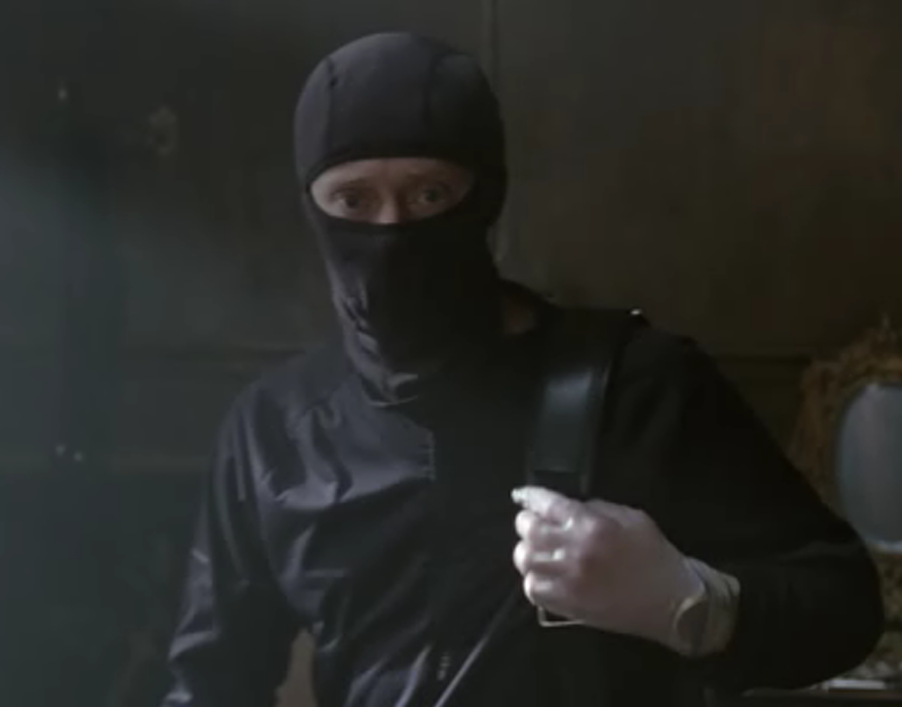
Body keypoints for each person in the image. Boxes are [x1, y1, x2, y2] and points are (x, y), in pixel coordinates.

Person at [159, 32, 884, 707]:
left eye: (429, 194)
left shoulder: (640, 388)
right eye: (353, 199)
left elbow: (843, 607)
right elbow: (210, 680)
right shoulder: (274, 430)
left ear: (486, 196)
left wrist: (690, 605)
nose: (391, 230)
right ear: (313, 208)